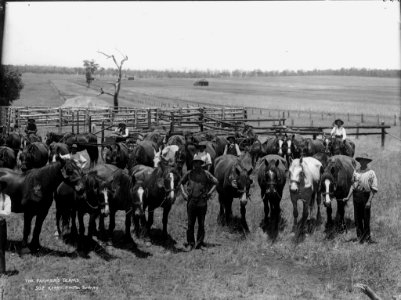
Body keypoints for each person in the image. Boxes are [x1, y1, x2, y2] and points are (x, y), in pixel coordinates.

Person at [180, 154, 218, 251]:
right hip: (191, 201)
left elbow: (216, 182)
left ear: (201, 164)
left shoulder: (206, 174)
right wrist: (183, 194)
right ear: (193, 164)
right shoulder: (189, 173)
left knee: (201, 223)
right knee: (190, 224)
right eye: (195, 163)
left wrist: (209, 193)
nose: (196, 165)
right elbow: (181, 183)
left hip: (202, 201)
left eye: (198, 163)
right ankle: (190, 243)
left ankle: (200, 243)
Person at [343, 153, 378, 244]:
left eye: (365, 160)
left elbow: (374, 189)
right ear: (359, 161)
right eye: (361, 160)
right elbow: (353, 186)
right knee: (357, 218)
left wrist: (369, 201)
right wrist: (347, 197)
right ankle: (360, 237)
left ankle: (367, 237)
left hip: (366, 196)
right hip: (356, 196)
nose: (363, 162)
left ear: (367, 162)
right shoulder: (356, 172)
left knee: (366, 218)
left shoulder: (371, 173)